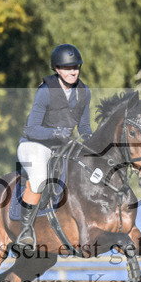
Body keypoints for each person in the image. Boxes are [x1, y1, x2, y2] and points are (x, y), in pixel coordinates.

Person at [15, 43, 93, 249]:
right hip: (35, 144)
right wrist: (55, 132)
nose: (73, 72)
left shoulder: (84, 92)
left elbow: (84, 126)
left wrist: (93, 142)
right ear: (57, 70)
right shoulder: (45, 91)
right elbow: (31, 128)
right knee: (40, 177)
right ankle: (25, 230)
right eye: (67, 68)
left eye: (76, 67)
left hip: (62, 147)